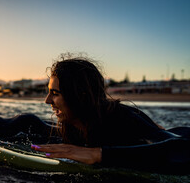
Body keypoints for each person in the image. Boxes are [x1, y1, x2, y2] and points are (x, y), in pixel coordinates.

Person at [32, 54, 190, 174]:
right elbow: (31, 123)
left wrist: (98, 154)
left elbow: (182, 150)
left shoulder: (120, 118)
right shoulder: (75, 125)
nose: (47, 101)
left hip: (179, 138)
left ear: (81, 95)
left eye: (55, 93)